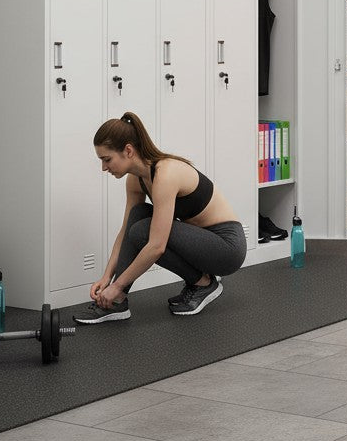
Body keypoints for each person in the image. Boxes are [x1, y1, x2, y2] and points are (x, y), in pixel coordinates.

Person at [74, 111, 246, 323]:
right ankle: (118, 303)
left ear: (128, 150)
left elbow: (157, 245)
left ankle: (203, 284)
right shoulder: (136, 180)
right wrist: (107, 277)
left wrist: (116, 286)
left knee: (144, 231)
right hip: (198, 242)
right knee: (137, 217)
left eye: (107, 159)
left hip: (227, 248)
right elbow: (125, 232)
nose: (103, 167)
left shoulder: (166, 174)